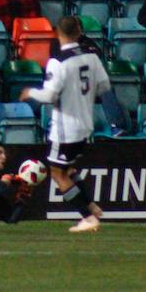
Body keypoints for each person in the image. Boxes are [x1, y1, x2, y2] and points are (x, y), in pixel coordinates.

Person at [20, 16, 110, 233]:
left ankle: (88, 217)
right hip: (86, 124)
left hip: (65, 128)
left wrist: (30, 92)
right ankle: (92, 206)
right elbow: (104, 87)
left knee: (57, 174)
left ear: (57, 34)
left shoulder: (57, 61)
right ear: (79, 32)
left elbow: (49, 96)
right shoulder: (92, 57)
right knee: (68, 169)